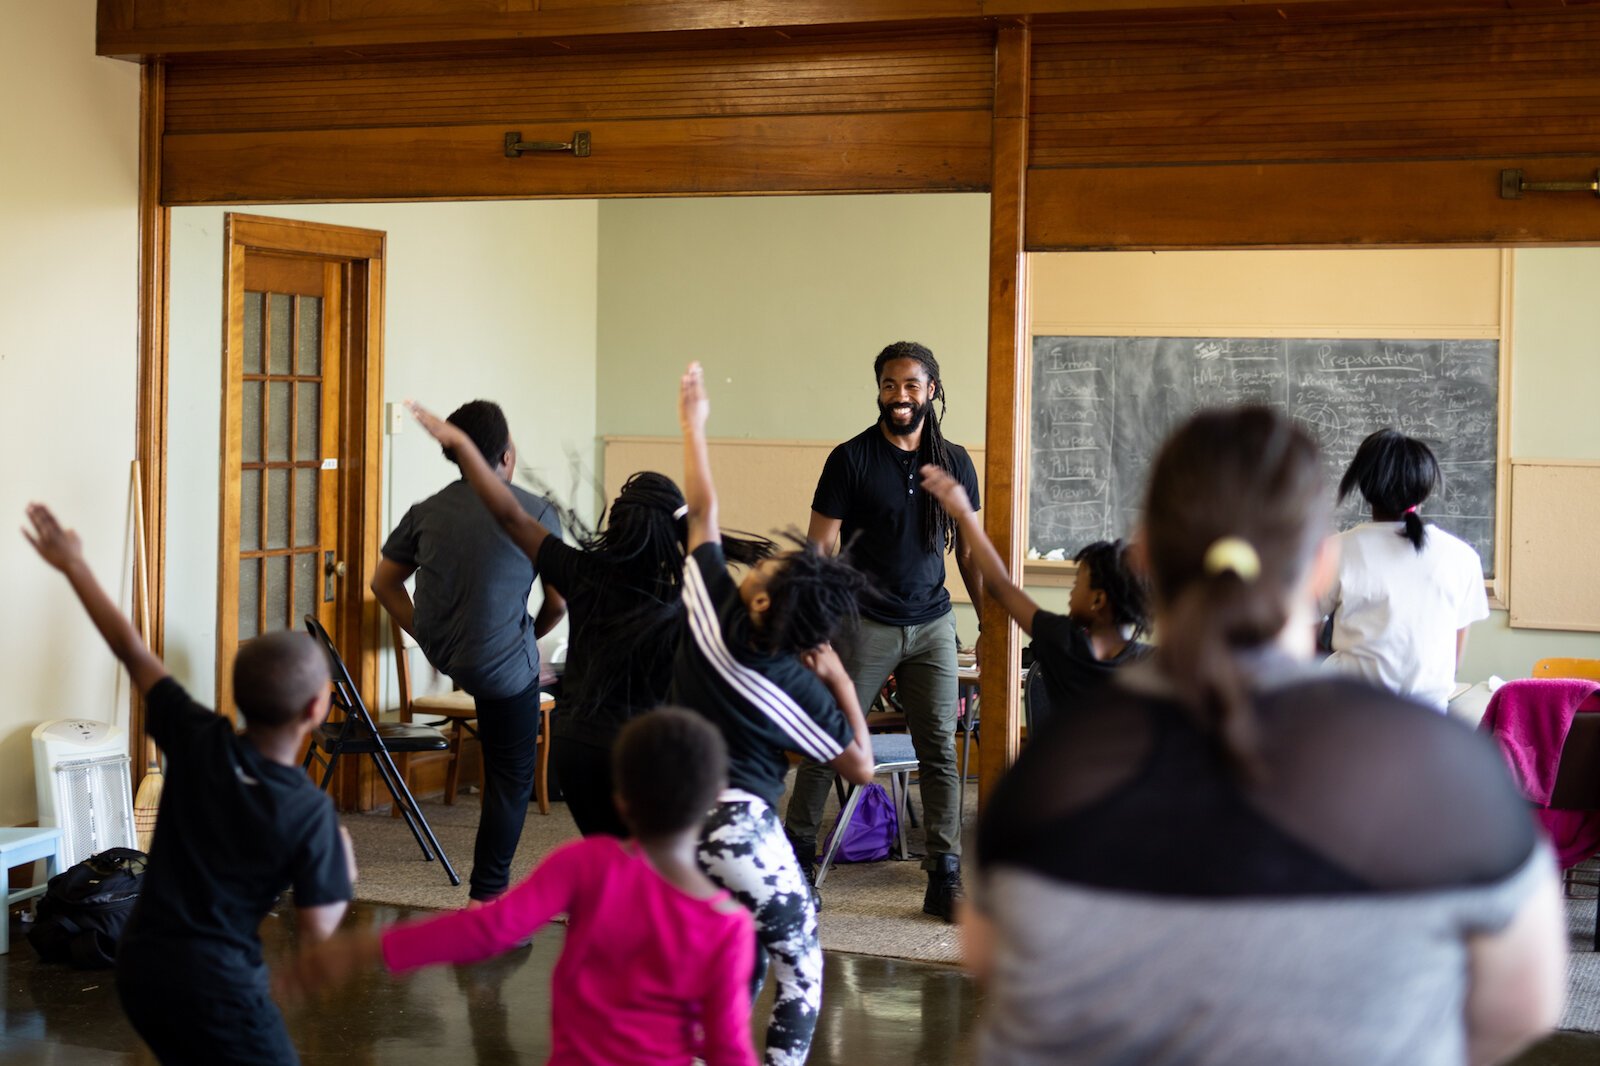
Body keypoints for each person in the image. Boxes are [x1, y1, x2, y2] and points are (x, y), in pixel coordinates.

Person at [965, 408, 1566, 1066]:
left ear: (1144, 555)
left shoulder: (1046, 773)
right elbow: (1525, 1007)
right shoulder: (1457, 775)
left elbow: (994, 963)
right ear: (1319, 565)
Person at [24, 503, 355, 1066]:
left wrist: (73, 564)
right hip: (219, 989)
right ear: (316, 708)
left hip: (141, 969)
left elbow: (133, 650)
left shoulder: (199, 737)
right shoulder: (309, 812)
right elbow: (318, 932)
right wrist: (341, 867)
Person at [278, 708, 759, 1066]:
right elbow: (728, 1048)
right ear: (714, 803)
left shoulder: (587, 863)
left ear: (621, 798)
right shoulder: (730, 926)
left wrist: (365, 949)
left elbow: (489, 930)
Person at [403, 405, 773, 838]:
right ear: (676, 531)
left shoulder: (582, 572)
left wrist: (463, 448)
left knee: (607, 855)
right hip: (645, 753)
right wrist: (695, 428)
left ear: (614, 523)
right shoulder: (687, 597)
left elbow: (510, 515)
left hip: (577, 751)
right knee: (650, 862)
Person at [675, 361, 875, 1066]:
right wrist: (841, 680)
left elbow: (703, 513)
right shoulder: (798, 686)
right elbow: (862, 767)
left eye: (766, 567)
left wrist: (694, 426)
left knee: (737, 950)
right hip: (739, 831)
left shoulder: (709, 614)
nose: (755, 562)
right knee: (801, 958)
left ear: (760, 601)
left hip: (671, 825)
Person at [783, 340, 983, 923]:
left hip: (933, 624)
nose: (900, 396)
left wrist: (989, 624)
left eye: (912, 385)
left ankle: (944, 877)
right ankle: (794, 866)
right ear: (879, 390)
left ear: (932, 391)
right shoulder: (851, 458)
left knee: (939, 751)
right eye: (890, 385)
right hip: (862, 624)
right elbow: (820, 547)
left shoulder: (955, 461)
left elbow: (969, 552)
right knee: (828, 741)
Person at [372, 399, 566, 901]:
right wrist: (530, 637)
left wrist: (425, 636)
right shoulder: (536, 511)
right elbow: (558, 602)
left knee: (504, 727)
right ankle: (486, 897)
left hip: (450, 655)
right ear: (507, 456)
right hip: (504, 669)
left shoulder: (425, 511)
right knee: (509, 780)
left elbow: (383, 583)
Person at [916, 470, 1152, 724]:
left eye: (1077, 584)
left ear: (1098, 600)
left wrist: (964, 514)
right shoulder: (1153, 662)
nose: (1071, 592)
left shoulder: (1062, 640)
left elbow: (1000, 584)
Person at [1319, 427, 1489, 711]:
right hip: (1428, 715)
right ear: (1423, 490)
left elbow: (1304, 635)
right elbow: (1455, 660)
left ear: (1364, 487)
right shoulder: (1462, 557)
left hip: (1350, 710)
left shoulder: (1334, 551)